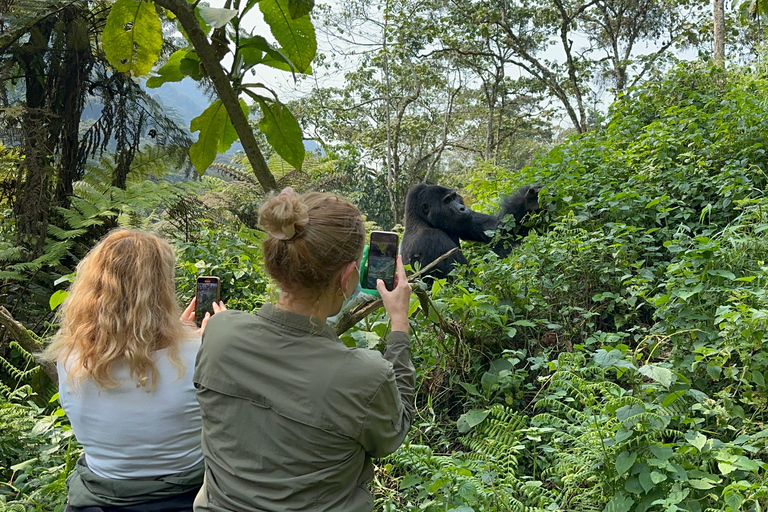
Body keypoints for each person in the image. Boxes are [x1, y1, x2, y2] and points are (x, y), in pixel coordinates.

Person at [193, 188, 415, 512]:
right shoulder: (366, 376)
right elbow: (392, 434)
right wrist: (399, 325)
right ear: (348, 277)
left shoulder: (218, 332)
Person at [44, 229, 224, 512]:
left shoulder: (70, 359)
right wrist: (207, 340)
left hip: (95, 503)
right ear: (162, 288)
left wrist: (182, 338)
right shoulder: (202, 354)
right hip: (183, 500)